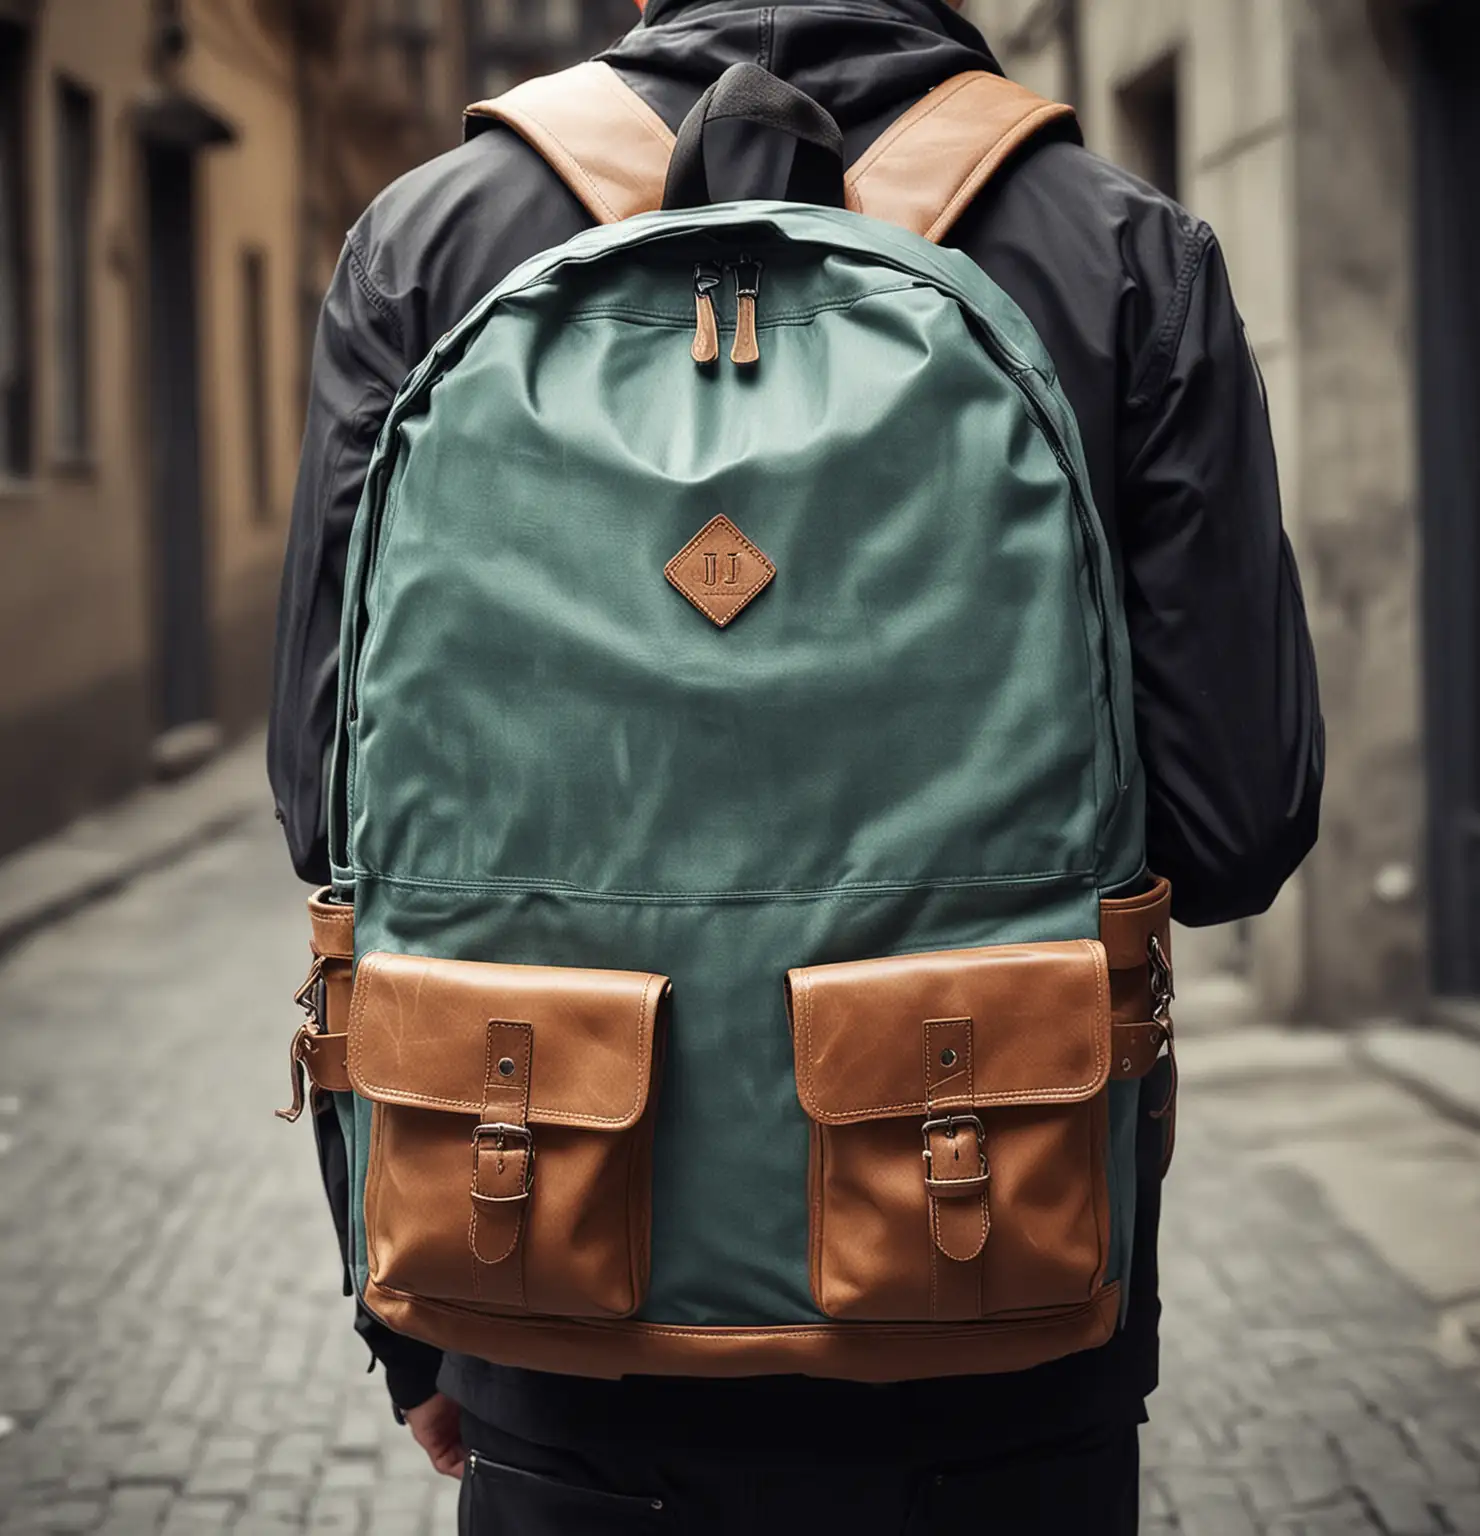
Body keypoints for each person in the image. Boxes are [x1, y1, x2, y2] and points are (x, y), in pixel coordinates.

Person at [268, 1, 1323, 1529]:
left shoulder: (432, 245)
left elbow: (330, 811)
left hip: (539, 1261)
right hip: (996, 1286)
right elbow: (1239, 826)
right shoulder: (1118, 250)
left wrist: (409, 1338)